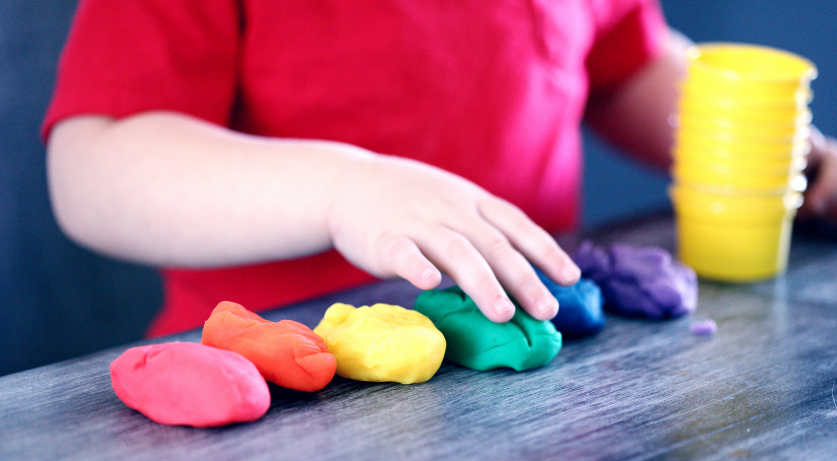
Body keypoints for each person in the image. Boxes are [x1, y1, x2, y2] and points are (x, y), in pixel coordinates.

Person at [43, 0, 837, 337]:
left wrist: (764, 147)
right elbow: (97, 167)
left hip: (533, 361)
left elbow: (622, 63)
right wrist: (343, 189)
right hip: (279, 391)